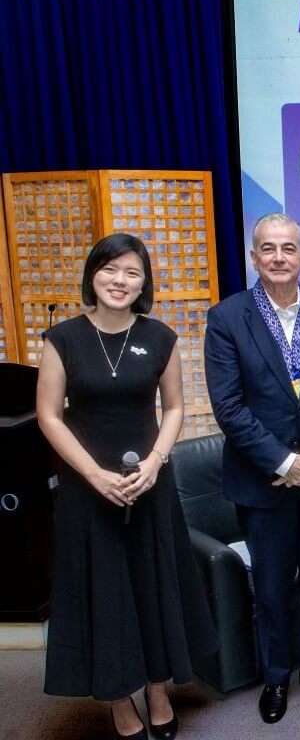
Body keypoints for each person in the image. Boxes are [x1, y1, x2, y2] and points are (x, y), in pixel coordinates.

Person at [37, 233, 216, 740]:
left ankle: (159, 691)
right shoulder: (62, 338)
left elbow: (175, 407)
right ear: (93, 275)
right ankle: (119, 701)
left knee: (153, 588)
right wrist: (93, 474)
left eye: (132, 272)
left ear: (145, 283)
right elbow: (49, 417)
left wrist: (157, 462)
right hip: (86, 492)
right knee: (105, 593)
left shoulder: (160, 336)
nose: (120, 280)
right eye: (110, 269)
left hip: (149, 484)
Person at [204, 213, 300, 723]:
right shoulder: (226, 318)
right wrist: (283, 461)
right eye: (267, 248)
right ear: (254, 257)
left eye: (288, 248)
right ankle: (276, 677)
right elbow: (229, 407)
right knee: (271, 587)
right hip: (262, 481)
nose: (278, 257)